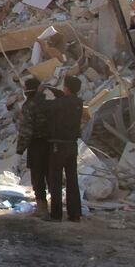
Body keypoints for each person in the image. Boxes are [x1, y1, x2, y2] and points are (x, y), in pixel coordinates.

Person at [46, 75, 84, 222]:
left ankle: (56, 214)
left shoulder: (58, 104)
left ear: (66, 88)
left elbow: (47, 108)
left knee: (55, 179)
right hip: (72, 144)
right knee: (72, 179)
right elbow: (66, 100)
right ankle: (74, 214)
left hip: (58, 145)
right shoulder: (79, 103)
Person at [17, 77, 51, 218]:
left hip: (36, 145)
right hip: (51, 143)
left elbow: (26, 130)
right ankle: (55, 208)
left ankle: (42, 208)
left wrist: (20, 149)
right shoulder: (49, 104)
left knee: (37, 176)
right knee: (51, 175)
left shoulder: (29, 105)